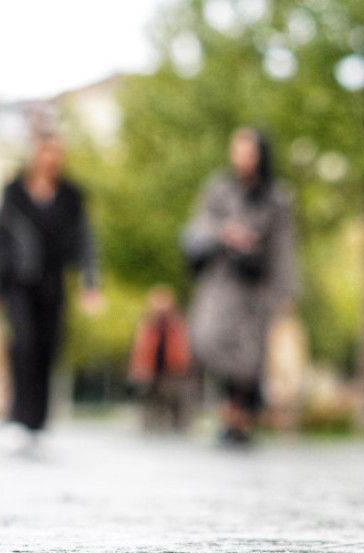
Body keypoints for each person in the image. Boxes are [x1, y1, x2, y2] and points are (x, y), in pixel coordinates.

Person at [0, 131, 102, 452]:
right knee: (23, 345)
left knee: (49, 349)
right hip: (18, 283)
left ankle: (39, 422)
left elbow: (84, 240)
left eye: (57, 152)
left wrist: (90, 283)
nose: (52, 158)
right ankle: (18, 418)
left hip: (53, 283)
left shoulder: (71, 195)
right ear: (35, 154)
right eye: (47, 151)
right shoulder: (14, 191)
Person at [180, 127, 298, 446]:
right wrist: (226, 232)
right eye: (237, 149)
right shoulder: (218, 190)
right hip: (220, 282)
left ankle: (239, 418)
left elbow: (284, 247)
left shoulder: (277, 198)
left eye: (247, 150)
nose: (241, 157)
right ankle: (230, 411)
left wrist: (287, 292)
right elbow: (200, 225)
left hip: (257, 286)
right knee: (210, 340)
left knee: (249, 356)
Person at [128, 285, 191, 433]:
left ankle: (175, 425)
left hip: (171, 368)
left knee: (171, 396)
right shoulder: (147, 324)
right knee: (148, 397)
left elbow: (182, 346)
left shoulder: (176, 323)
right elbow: (139, 349)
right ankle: (149, 424)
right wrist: (138, 369)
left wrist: (181, 365)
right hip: (149, 369)